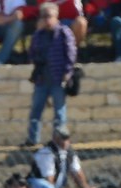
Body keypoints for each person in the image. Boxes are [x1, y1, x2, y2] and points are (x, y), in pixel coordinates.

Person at [26, 3, 76, 148]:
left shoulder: (64, 32)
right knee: (36, 110)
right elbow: (32, 53)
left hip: (58, 77)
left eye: (49, 16)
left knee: (59, 112)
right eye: (44, 16)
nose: (47, 20)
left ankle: (58, 140)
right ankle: (32, 139)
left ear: (56, 17)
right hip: (42, 78)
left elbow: (71, 53)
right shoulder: (38, 35)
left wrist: (67, 72)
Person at [29, 125, 97, 188]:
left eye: (66, 138)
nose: (65, 141)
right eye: (61, 138)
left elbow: (77, 172)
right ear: (54, 138)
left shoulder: (69, 152)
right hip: (39, 186)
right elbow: (48, 179)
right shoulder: (46, 153)